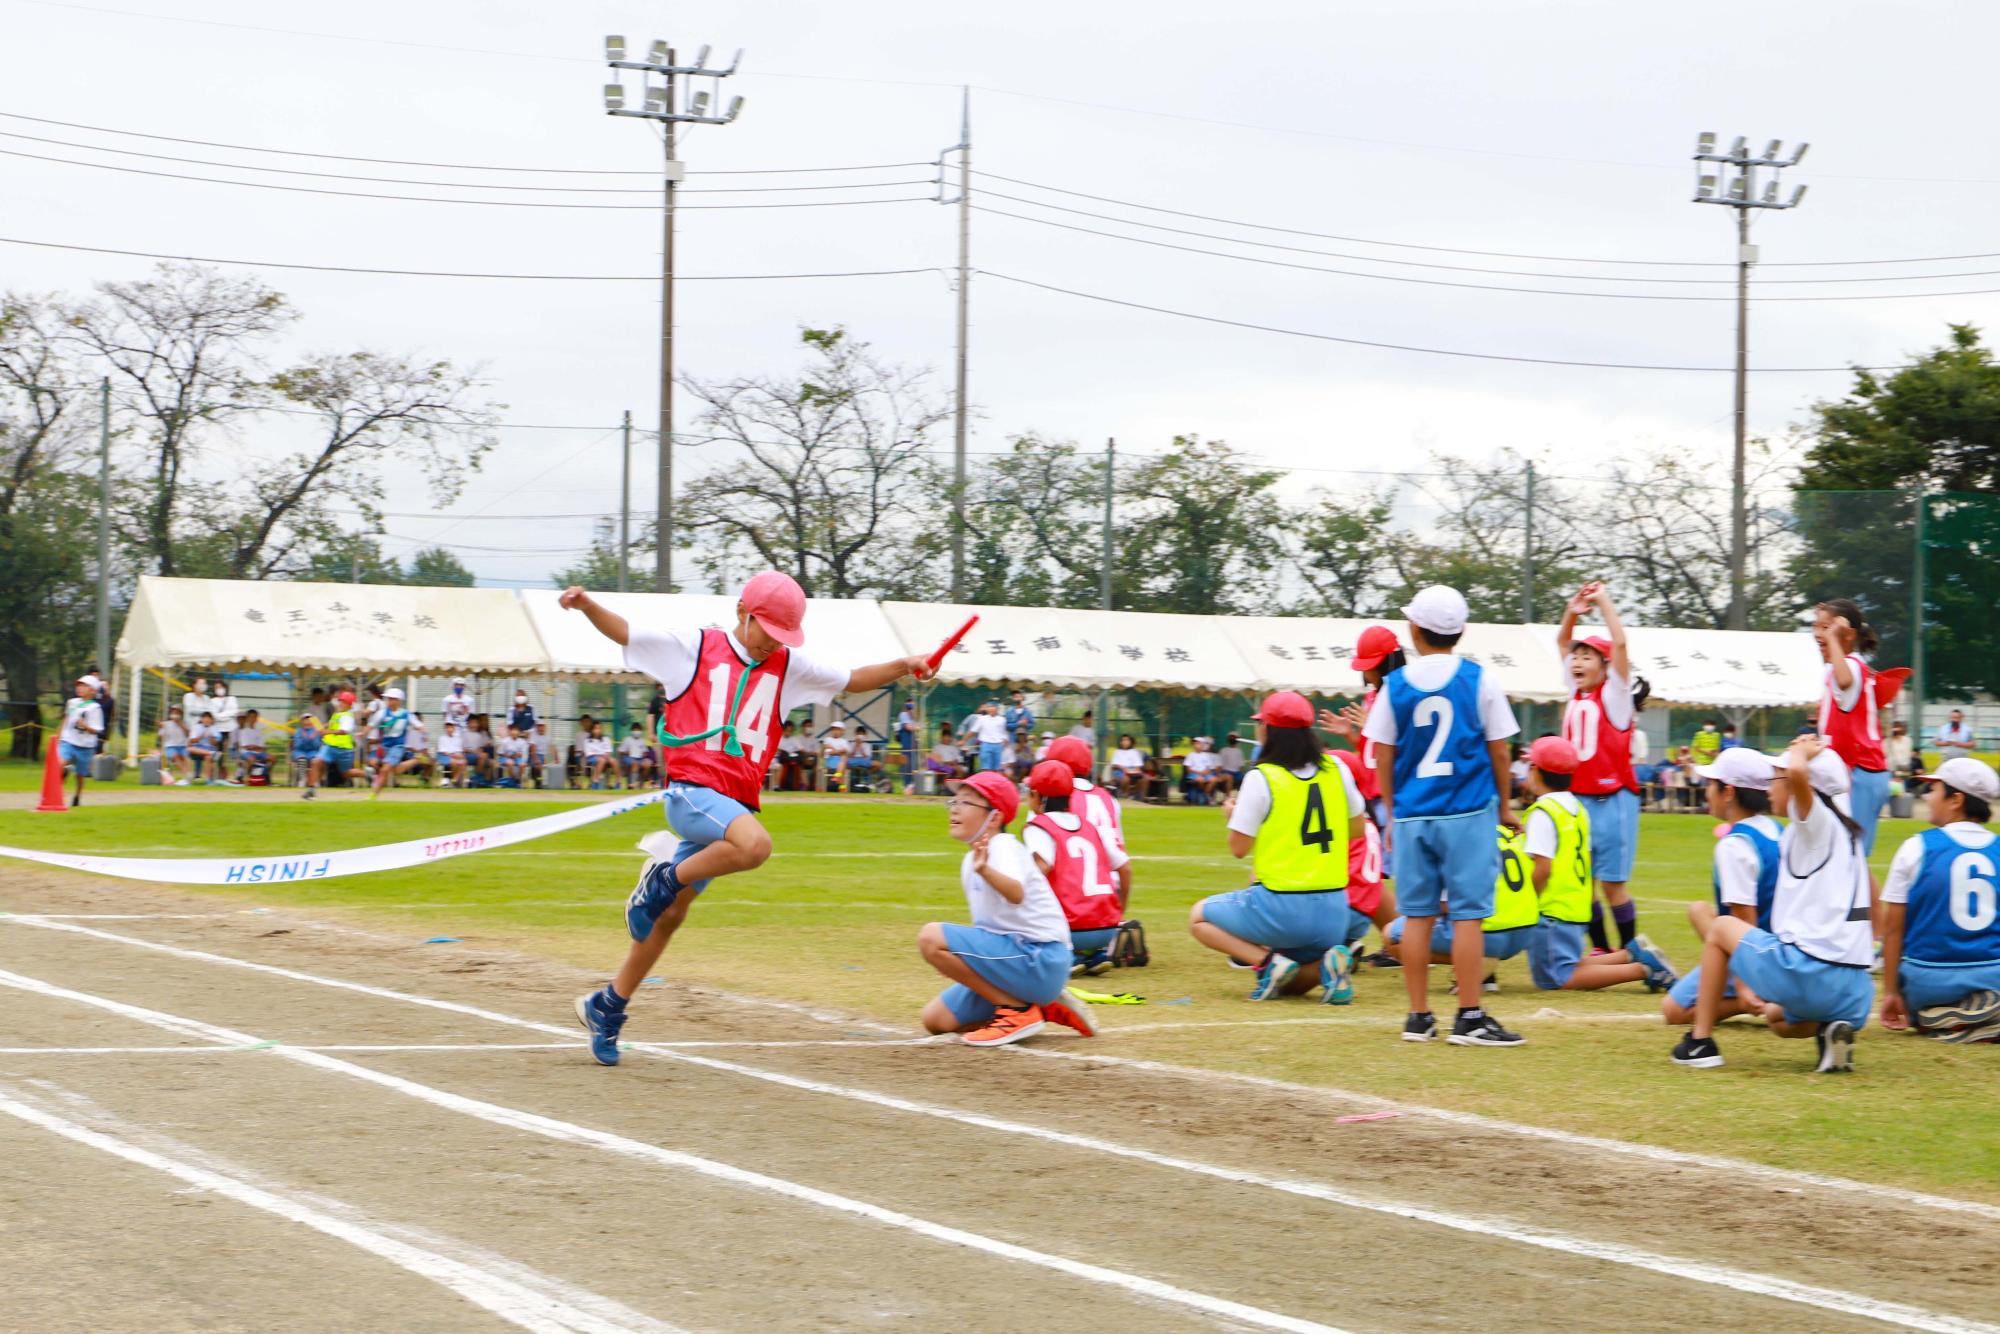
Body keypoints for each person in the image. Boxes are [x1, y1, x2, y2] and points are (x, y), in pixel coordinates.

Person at [566, 571, 932, 1065]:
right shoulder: (693, 646)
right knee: (755, 847)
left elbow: (852, 680)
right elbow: (628, 633)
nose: (772, 645)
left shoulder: (790, 667)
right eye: (767, 631)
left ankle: (607, 1004)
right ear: (743, 612)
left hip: (730, 809)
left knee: (671, 916)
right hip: (692, 792)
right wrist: (588, 605)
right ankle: (662, 876)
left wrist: (903, 666)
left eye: (784, 637)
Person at [1364, 585, 1524, 1046]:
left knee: (1417, 916)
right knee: (1468, 916)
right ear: (1460, 631)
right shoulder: (1480, 679)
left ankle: (1418, 1017)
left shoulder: (1394, 685)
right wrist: (1506, 805)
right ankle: (1469, 1015)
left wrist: (1394, 814)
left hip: (1414, 815)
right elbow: (1499, 751)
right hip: (1467, 811)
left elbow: (1384, 756)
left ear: (1415, 629)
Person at [1671, 736, 1874, 1073]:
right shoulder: (1844, 828)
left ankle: (1699, 1043)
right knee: (1778, 1020)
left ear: (1801, 789)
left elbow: (1798, 772)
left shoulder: (1816, 825)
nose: (1769, 787)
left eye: (1776, 778)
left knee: (1721, 927)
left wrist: (1801, 753)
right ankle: (1829, 1030)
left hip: (1811, 973)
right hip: (1856, 992)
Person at [1192, 691, 1362, 1002]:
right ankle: (1328, 965)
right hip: (1335, 911)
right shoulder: (1337, 768)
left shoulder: (1263, 777)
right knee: (1291, 987)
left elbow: (1239, 847)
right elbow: (1357, 827)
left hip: (1282, 908)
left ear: (1268, 731)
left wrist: (1234, 815)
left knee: (1199, 917)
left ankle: (1267, 963)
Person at [916, 770, 1096, 1046]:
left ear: (995, 817)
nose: (954, 809)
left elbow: (1016, 893)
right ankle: (1039, 1007)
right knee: (935, 1020)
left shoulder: (1004, 847)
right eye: (954, 802)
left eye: (966, 802)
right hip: (1020, 961)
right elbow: (991, 927)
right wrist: (959, 959)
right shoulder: (972, 861)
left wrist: (986, 870)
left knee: (930, 937)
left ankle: (1017, 1011)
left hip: (1041, 958)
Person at [1515, 736, 1675, 994]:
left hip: (1551, 912)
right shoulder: (1576, 808)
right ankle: (1629, 955)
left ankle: (1642, 969)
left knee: (1556, 977)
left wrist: (1525, 902)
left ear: (1536, 771)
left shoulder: (1542, 812)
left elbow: (1543, 868)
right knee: (1569, 965)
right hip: (1574, 909)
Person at [1555, 582, 1651, 955]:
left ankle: (1632, 951)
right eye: (1576, 657)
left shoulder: (1614, 698)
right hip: (1577, 798)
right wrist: (1573, 609)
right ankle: (1602, 950)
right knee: (1583, 882)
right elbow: (1562, 641)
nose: (1577, 661)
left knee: (1612, 884)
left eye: (1588, 657)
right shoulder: (1575, 693)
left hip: (1613, 799)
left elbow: (1621, 644)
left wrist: (1603, 601)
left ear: (1606, 668)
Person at [1878, 757, 2000, 1042]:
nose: (1928, 797)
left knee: (1919, 1006)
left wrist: (1892, 993)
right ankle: (1980, 1015)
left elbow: (1893, 929)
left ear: (1956, 799)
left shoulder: (1916, 847)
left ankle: (1933, 1018)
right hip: (1994, 976)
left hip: (1928, 982)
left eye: (1934, 790)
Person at [1662, 747, 1784, 1027]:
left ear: (1728, 792)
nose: (1706, 793)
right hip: (1781, 943)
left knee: (1673, 1010)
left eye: (1710, 785)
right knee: (1699, 910)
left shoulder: (1734, 846)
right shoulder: (1776, 829)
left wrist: (1744, 985)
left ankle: (1748, 999)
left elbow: (1744, 920)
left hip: (1760, 955)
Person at [1022, 760, 1128, 977]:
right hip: (1107, 928)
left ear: (1037, 796)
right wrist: (1120, 913)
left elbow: (1040, 869)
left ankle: (1066, 957)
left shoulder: (1039, 827)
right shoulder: (1091, 828)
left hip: (1070, 930)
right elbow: (1125, 868)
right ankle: (1093, 955)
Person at [1813, 598, 1892, 855]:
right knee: (1844, 852)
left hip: (1861, 772)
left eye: (1826, 627)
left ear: (1848, 634)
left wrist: (1834, 640)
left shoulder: (1851, 667)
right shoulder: (1841, 669)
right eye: (1817, 627)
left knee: (1852, 854)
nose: (1817, 634)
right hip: (1854, 773)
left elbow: (1845, 681)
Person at [1319, 623, 1403, 833]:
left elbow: (1407, 748)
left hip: (1391, 796)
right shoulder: (1371, 697)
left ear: (1389, 663)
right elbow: (1370, 753)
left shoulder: (1402, 696)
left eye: (1372, 665)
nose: (1367, 672)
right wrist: (1351, 735)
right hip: (1369, 794)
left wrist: (1376, 728)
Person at [1047, 734, 1133, 910]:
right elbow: (1120, 852)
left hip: (1072, 894)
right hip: (1110, 890)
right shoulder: (1108, 798)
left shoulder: (1056, 797)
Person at [56, 676, 104, 807]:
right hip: (68, 740)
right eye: (78, 685)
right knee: (59, 764)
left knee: (80, 775)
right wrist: (58, 735)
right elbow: (66, 719)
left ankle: (77, 796)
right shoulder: (72, 702)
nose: (79, 688)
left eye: (84, 686)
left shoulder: (95, 708)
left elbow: (97, 730)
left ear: (93, 691)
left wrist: (86, 726)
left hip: (85, 746)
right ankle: (57, 792)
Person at [303, 690, 358, 799]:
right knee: (316, 762)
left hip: (344, 749)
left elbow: (343, 731)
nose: (340, 703)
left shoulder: (347, 717)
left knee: (346, 773)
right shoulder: (338, 714)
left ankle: (367, 774)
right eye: (340, 701)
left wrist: (326, 732)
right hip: (330, 746)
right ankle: (311, 790)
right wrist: (324, 726)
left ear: (349, 704)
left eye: (343, 702)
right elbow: (332, 724)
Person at [366, 689, 411, 795]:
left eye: (391, 699)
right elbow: (373, 730)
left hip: (394, 747)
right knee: (385, 767)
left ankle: (375, 790)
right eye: (388, 699)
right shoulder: (381, 715)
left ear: (398, 700)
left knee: (387, 769)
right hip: (382, 748)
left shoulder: (404, 715)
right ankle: (377, 780)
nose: (388, 701)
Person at [232, 709, 273, 785]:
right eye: (250, 717)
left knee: (272, 759)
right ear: (247, 718)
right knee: (251, 759)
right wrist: (256, 747)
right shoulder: (243, 731)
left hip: (258, 752)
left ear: (257, 718)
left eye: (254, 717)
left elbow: (263, 747)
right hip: (245, 753)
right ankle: (249, 778)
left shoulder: (259, 731)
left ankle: (266, 775)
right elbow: (245, 747)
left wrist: (255, 747)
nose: (252, 719)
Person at [969, 701, 1009, 774]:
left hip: (998, 745)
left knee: (997, 769)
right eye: (989, 707)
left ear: (997, 709)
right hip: (985, 745)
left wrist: (1005, 740)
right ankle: (985, 784)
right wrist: (964, 740)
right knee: (986, 769)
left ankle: (994, 784)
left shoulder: (1002, 719)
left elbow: (1004, 732)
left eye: (992, 707)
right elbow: (973, 730)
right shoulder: (982, 719)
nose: (990, 709)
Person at [1184, 737, 1225, 806]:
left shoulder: (1206, 755)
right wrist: (1199, 773)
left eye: (1198, 743)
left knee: (1214, 780)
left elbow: (1209, 768)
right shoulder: (1190, 755)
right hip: (1193, 774)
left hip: (1205, 774)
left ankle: (1205, 794)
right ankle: (1207, 796)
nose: (1196, 745)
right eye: (1195, 743)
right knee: (1200, 780)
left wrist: (1205, 772)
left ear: (1202, 745)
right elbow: (1188, 769)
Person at [187, 711, 224, 785]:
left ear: (211, 720)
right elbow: (192, 740)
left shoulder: (214, 728)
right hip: (198, 749)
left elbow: (216, 743)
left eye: (208, 718)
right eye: (205, 718)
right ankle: (210, 754)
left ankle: (208, 780)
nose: (206, 720)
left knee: (208, 757)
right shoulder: (196, 727)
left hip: (210, 748)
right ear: (202, 719)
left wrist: (212, 739)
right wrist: (201, 736)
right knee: (189, 749)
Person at [159, 706, 193, 786]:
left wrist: (180, 724)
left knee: (185, 758)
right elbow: (161, 736)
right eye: (173, 713)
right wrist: (161, 727)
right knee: (176, 756)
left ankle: (188, 777)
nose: (175, 715)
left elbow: (188, 734)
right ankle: (187, 776)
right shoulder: (166, 724)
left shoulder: (185, 723)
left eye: (177, 713)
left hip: (182, 746)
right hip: (170, 746)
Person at [208, 679, 240, 758]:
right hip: (219, 729)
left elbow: (235, 711)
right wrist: (227, 715)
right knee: (219, 750)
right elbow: (214, 715)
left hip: (232, 728)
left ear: (225, 687)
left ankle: (238, 766)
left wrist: (221, 715)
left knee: (234, 748)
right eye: (216, 688)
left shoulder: (232, 699)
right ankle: (219, 766)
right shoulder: (212, 701)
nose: (219, 689)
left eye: (220, 687)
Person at [618, 723, 655, 788]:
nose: (637, 732)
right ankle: (632, 784)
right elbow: (620, 751)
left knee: (648, 764)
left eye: (638, 730)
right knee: (635, 763)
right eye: (635, 730)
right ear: (632, 731)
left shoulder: (642, 740)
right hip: (629, 758)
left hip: (640, 758)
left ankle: (641, 782)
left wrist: (643, 753)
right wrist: (627, 753)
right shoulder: (627, 739)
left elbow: (645, 752)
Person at [289, 713, 322, 784]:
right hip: (300, 751)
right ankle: (302, 779)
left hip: (313, 751)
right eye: (305, 719)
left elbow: (318, 745)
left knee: (315, 761)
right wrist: (305, 739)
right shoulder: (298, 731)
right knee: (302, 760)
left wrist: (312, 739)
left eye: (309, 719)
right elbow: (297, 745)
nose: (307, 721)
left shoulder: (317, 731)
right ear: (301, 721)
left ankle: (315, 780)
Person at [821, 721, 854, 790]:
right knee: (843, 759)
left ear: (842, 731)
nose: (836, 731)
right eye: (834, 729)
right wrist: (838, 751)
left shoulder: (844, 741)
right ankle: (841, 785)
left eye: (838, 729)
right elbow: (828, 748)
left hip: (842, 761)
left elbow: (846, 750)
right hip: (830, 761)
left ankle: (838, 776)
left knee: (844, 758)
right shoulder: (828, 739)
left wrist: (835, 751)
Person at [582, 721, 615, 789]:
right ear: (592, 730)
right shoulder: (587, 740)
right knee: (601, 760)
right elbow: (588, 753)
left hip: (603, 757)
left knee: (612, 761)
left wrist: (606, 756)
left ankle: (615, 782)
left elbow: (608, 751)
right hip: (591, 758)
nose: (598, 730)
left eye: (599, 728)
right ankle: (596, 778)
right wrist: (600, 756)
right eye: (596, 728)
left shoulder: (605, 739)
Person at [437, 721, 469, 787]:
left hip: (455, 756)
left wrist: (459, 756)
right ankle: (454, 780)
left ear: (454, 728)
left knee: (464, 762)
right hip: (444, 756)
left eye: (451, 727)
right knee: (455, 762)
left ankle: (454, 780)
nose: (449, 729)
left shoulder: (458, 738)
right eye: (447, 727)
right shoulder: (442, 738)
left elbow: (459, 751)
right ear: (445, 728)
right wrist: (453, 755)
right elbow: (443, 751)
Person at [1887, 720, 1915, 790]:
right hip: (1891, 768)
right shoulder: (1888, 741)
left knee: (1902, 790)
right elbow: (1884, 754)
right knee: (1891, 790)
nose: (1897, 729)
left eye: (1899, 727)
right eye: (1895, 727)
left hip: (1903, 768)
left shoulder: (1908, 740)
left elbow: (1908, 755)